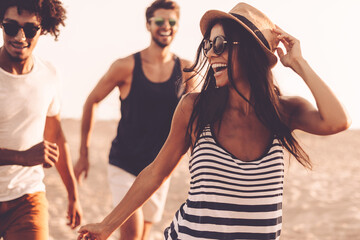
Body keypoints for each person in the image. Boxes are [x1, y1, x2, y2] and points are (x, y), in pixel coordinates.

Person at [77, 2, 351, 240]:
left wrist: (299, 63)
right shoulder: (195, 107)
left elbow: (338, 121)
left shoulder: (285, 111)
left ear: (250, 50)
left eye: (219, 45)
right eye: (208, 44)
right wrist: (106, 226)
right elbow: (157, 172)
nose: (209, 54)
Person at [73, 0, 197, 239]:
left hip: (160, 169)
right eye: (159, 21)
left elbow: (195, 118)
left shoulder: (186, 70)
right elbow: (92, 101)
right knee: (131, 231)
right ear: (148, 24)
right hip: (124, 163)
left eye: (172, 22)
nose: (166, 26)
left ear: (178, 26)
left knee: (141, 236)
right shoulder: (126, 66)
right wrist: (84, 153)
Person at [0, 0, 82, 239]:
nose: (20, 36)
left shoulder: (49, 74)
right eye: (11, 27)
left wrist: (73, 193)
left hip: (27, 198)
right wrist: (22, 157)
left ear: (43, 28)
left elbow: (55, 134)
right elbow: (28, 155)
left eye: (30, 29)